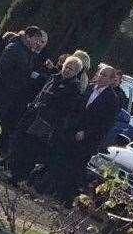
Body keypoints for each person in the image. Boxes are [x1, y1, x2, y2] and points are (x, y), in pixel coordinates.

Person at [51, 65, 120, 205]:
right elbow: (77, 108)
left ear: (112, 80)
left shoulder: (112, 99)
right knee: (61, 160)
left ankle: (67, 199)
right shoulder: (89, 88)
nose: (101, 77)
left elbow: (105, 124)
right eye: (101, 74)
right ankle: (53, 190)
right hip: (73, 131)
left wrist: (86, 133)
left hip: (88, 140)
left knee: (75, 168)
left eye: (105, 75)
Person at [8, 55, 83, 184]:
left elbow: (66, 109)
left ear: (76, 72)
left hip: (46, 123)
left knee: (31, 149)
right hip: (33, 115)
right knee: (20, 142)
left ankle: (19, 177)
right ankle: (12, 169)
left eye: (71, 69)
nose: (67, 70)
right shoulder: (54, 78)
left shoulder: (74, 89)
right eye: (66, 67)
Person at [0, 26, 46, 147]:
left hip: (9, 93)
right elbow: (4, 67)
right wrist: (21, 74)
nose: (37, 43)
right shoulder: (15, 47)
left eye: (39, 40)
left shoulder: (29, 53)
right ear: (27, 36)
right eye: (36, 39)